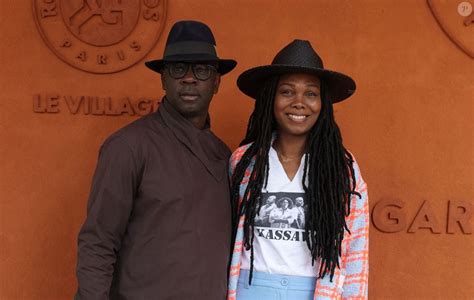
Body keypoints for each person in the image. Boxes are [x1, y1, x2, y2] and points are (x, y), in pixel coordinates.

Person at [75, 20, 237, 299]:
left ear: (216, 82)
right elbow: (98, 241)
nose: (189, 78)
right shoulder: (129, 147)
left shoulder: (226, 157)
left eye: (201, 69)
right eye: (178, 68)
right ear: (163, 78)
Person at [227, 40, 368, 300]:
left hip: (315, 291)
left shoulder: (342, 168)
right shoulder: (244, 161)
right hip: (250, 287)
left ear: (323, 103)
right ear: (270, 98)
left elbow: (356, 249)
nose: (299, 102)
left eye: (311, 94)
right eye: (287, 92)